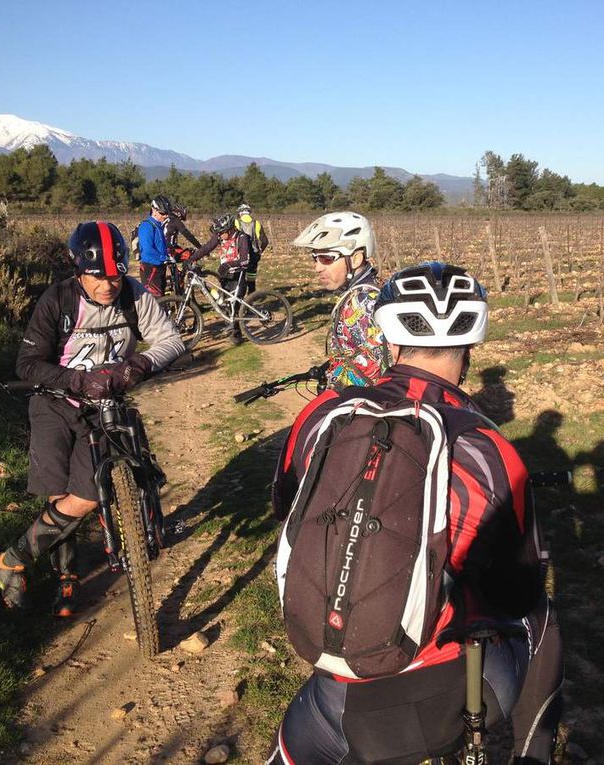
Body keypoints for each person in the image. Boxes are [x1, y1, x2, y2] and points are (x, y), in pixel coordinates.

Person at [268, 262, 563, 764]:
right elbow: (517, 591)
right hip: (446, 699)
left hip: (331, 698)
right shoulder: (487, 446)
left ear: (387, 336)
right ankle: (530, 754)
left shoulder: (321, 414)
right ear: (471, 347)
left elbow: (286, 507)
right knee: (542, 617)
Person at [0, 221, 186, 616]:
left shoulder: (134, 295)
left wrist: (140, 363)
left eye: (115, 275)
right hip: (55, 402)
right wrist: (77, 379)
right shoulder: (57, 300)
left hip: (105, 406)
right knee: (57, 494)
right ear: (79, 269)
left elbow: (173, 340)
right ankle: (68, 578)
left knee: (88, 494)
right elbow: (28, 364)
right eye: (98, 277)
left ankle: (10, 559)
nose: (108, 286)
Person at [290, 211, 387, 389]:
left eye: (327, 258)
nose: (317, 267)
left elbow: (372, 372)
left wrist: (332, 394)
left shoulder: (365, 302)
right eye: (315, 258)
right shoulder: (364, 292)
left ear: (356, 259)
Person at [189, 213, 252, 344]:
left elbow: (245, 260)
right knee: (223, 302)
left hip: (238, 275)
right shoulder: (221, 236)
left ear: (229, 230)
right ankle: (231, 325)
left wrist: (229, 264)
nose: (218, 235)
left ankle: (236, 335)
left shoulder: (242, 237)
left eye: (221, 232)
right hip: (225, 274)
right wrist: (191, 259)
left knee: (234, 304)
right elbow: (206, 248)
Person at [136, 195, 172, 296]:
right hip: (150, 268)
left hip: (159, 266)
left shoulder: (159, 225)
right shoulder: (147, 226)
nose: (165, 216)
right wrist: (163, 257)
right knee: (156, 301)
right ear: (154, 210)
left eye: (167, 213)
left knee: (161, 296)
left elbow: (160, 245)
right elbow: (147, 250)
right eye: (162, 213)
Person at [236, 202, 268, 294]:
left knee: (240, 279)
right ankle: (251, 301)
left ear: (240, 213)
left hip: (240, 255)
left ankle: (239, 302)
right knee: (251, 280)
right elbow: (265, 241)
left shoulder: (237, 223)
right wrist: (260, 251)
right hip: (254, 255)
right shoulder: (256, 223)